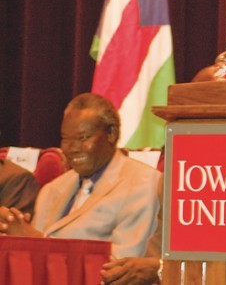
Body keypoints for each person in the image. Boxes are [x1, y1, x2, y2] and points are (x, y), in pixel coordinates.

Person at [0, 93, 162, 260]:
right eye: (65, 139)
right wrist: (13, 237)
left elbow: (122, 268)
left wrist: (36, 242)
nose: (72, 148)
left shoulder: (143, 184)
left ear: (111, 134)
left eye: (83, 137)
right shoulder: (52, 190)